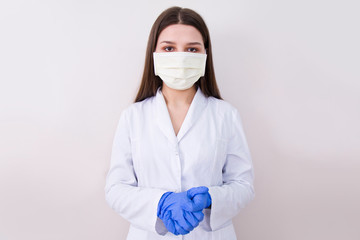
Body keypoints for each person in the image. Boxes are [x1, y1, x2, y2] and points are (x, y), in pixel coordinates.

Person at [104, 6, 255, 240]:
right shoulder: (133, 117)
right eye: (169, 48)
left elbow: (243, 185)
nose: (181, 57)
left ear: (205, 54)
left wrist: (211, 198)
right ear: (154, 53)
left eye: (192, 49)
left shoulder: (226, 115)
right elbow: (115, 189)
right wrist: (160, 203)